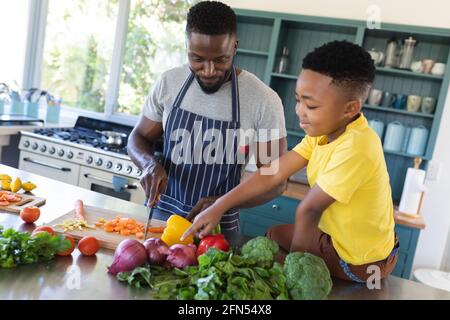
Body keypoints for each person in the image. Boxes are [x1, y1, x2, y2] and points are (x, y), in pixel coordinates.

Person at [183, 40, 399, 282]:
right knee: (273, 237)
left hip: (360, 261)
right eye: (298, 100)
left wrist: (295, 274)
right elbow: (273, 172)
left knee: (272, 257)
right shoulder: (323, 133)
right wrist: (219, 206)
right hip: (337, 237)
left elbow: (310, 209)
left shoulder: (358, 145)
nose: (299, 110)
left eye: (311, 105)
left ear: (350, 108)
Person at [127, 1, 287, 232]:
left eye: (220, 59)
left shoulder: (263, 100)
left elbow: (274, 180)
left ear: (234, 47)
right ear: (186, 47)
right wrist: (148, 164)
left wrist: (224, 203)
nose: (209, 71)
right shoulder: (169, 83)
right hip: (161, 220)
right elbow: (139, 136)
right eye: (197, 59)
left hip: (218, 229)